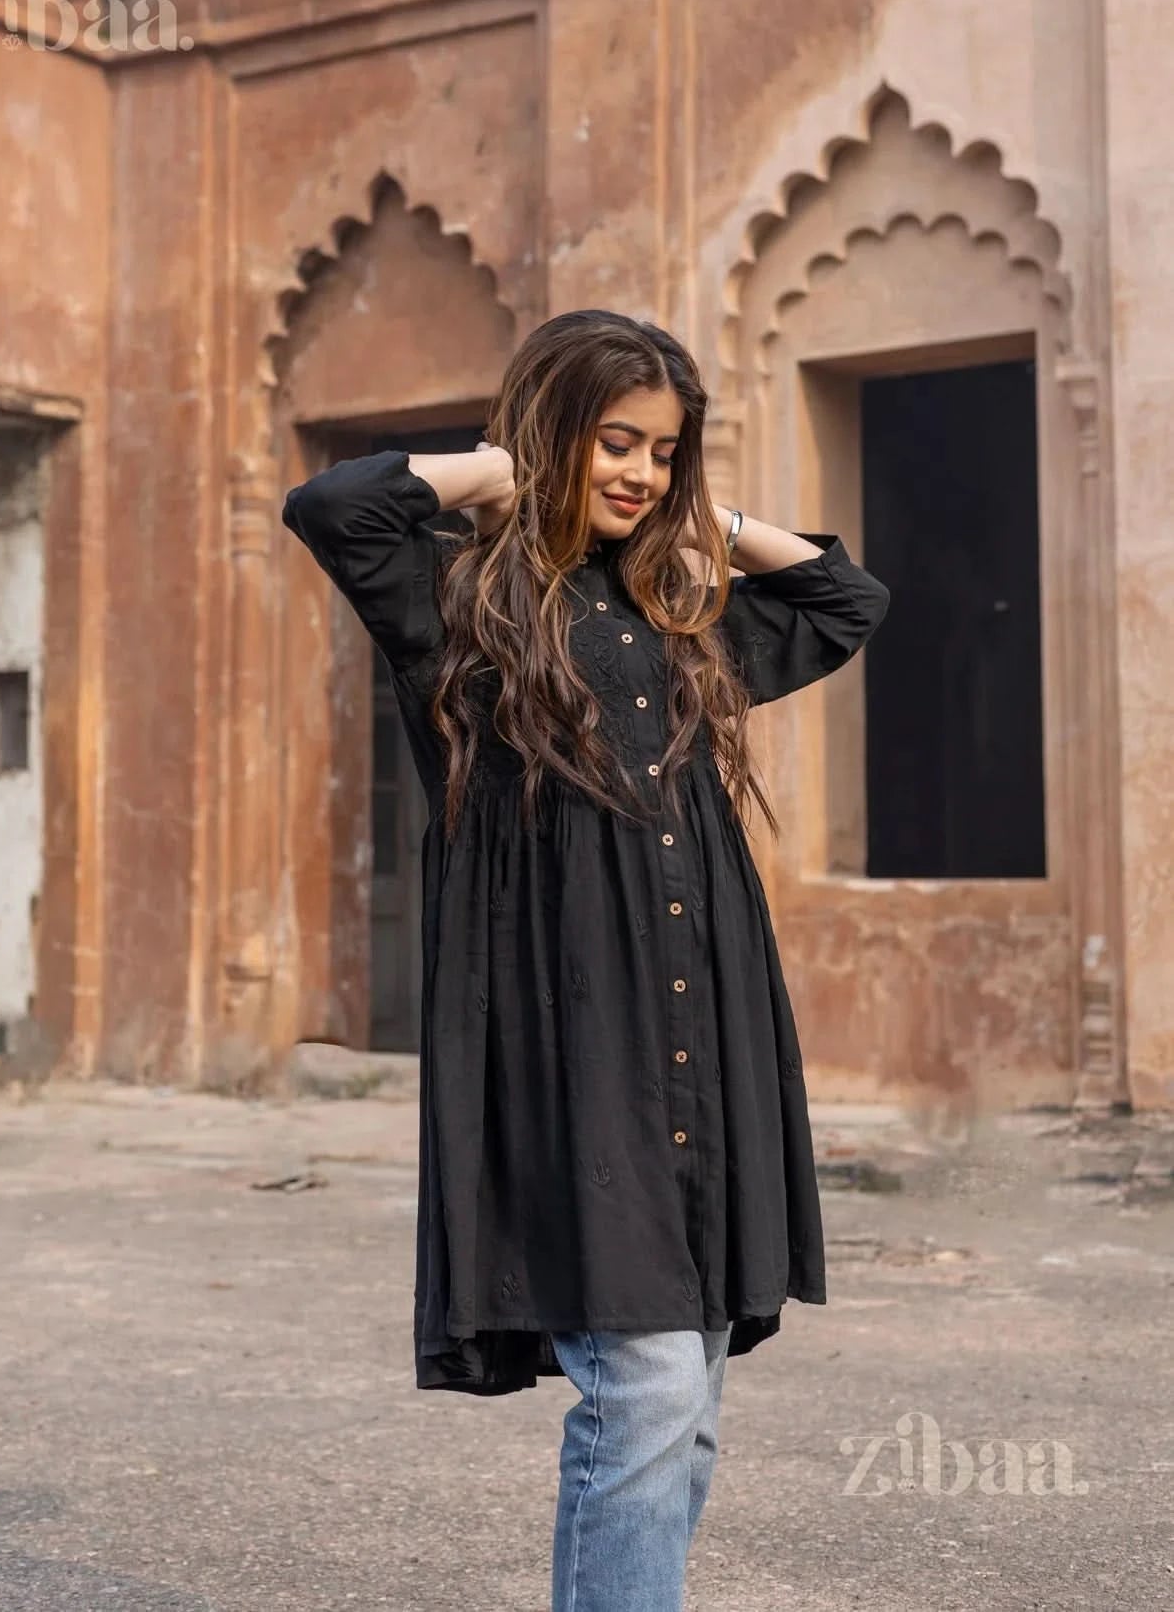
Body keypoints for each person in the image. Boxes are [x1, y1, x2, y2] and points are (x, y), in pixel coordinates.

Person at [282, 308, 889, 1612]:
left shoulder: (674, 614)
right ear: (554, 428)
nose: (642, 474)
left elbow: (846, 599)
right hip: (571, 1039)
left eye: (665, 453)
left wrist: (700, 528)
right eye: (617, 443)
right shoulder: (457, 601)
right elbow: (331, 504)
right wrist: (508, 466)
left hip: (704, 1028)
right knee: (650, 1387)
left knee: (692, 1397)